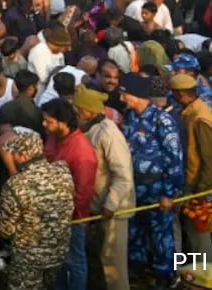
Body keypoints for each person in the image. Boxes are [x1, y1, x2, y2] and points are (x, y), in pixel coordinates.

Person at [120, 73, 184, 289]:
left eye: (124, 94)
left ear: (136, 95)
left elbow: (174, 157)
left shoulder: (162, 119)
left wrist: (170, 192)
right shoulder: (129, 117)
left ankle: (167, 275)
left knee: (161, 234)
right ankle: (139, 270)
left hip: (157, 187)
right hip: (134, 187)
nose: (121, 98)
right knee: (135, 230)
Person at [0, 132, 76, 290]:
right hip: (58, 252)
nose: (12, 157)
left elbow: (5, 229)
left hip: (28, 258)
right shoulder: (63, 172)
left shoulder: (15, 184)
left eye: (15, 154)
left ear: (23, 156)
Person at [73, 86, 133, 290]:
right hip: (99, 207)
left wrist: (110, 205)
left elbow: (123, 176)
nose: (75, 112)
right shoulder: (90, 129)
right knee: (102, 259)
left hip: (115, 209)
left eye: (77, 109)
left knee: (113, 265)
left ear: (87, 111)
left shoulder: (109, 134)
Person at [41, 98, 96, 290]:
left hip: (73, 217)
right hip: (54, 213)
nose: (44, 125)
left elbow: (83, 191)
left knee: (75, 260)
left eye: (48, 121)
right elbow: (47, 158)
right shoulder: (54, 137)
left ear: (62, 122)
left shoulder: (82, 151)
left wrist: (73, 217)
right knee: (58, 259)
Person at [172, 72, 212, 265]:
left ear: (181, 94)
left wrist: (201, 192)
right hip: (195, 186)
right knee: (193, 237)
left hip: (200, 189)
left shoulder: (200, 117)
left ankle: (205, 275)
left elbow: (210, 159)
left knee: (199, 237)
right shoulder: (192, 111)